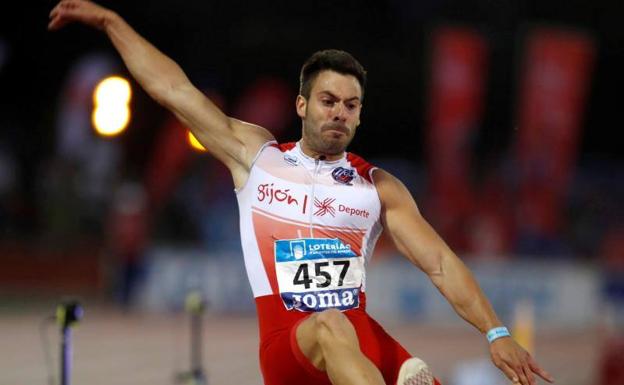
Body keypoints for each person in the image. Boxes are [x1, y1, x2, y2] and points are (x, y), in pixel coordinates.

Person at [48, 2, 555, 385]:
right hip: (291, 346)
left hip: (365, 341)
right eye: (329, 100)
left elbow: (441, 264)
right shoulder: (256, 156)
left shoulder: (378, 187)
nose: (339, 112)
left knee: (380, 350)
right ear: (302, 104)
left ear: (360, 114)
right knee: (331, 323)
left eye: (350, 105)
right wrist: (113, 23)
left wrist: (495, 332)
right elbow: (174, 90)